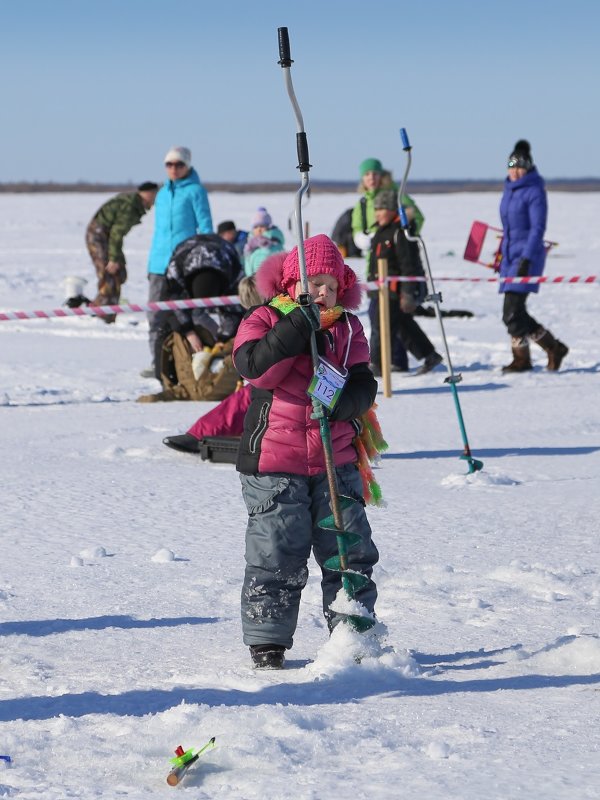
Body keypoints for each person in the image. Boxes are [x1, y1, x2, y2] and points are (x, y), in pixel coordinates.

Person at [232, 235, 381, 669]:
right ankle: (268, 641)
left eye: (330, 287)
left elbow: (362, 384)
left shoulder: (348, 327)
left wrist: (341, 402)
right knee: (277, 549)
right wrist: (297, 327)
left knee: (348, 549)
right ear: (292, 283)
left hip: (336, 460)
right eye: (312, 283)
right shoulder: (263, 317)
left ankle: (352, 633)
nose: (322, 294)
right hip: (274, 462)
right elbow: (256, 369)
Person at [499, 140, 568, 372]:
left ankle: (528, 357)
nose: (515, 171)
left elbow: (537, 229)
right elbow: (510, 229)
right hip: (510, 258)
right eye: (511, 166)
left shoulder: (535, 191)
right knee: (514, 313)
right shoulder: (509, 190)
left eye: (520, 167)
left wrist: (526, 259)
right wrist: (502, 255)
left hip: (526, 258)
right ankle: (550, 349)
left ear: (528, 167)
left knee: (511, 312)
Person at [144, 146, 213, 376]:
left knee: (193, 313)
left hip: (185, 265)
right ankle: (159, 365)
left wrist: (203, 260)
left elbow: (205, 227)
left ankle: (216, 354)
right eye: (169, 164)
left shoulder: (196, 191)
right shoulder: (162, 193)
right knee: (156, 317)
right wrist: (152, 263)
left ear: (188, 166)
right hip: (158, 265)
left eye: (179, 164)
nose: (173, 168)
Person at [368, 190, 443, 376]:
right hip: (381, 290)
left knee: (381, 327)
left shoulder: (401, 233)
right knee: (403, 326)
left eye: (383, 209)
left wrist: (408, 294)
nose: (378, 213)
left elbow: (409, 266)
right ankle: (429, 355)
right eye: (376, 209)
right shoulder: (380, 231)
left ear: (393, 210)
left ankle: (376, 365)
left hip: (395, 292)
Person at [86, 182, 158, 322]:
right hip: (99, 236)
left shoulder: (134, 203)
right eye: (155, 195)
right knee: (110, 274)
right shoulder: (131, 206)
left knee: (120, 273)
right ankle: (103, 315)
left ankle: (101, 308)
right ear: (148, 194)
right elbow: (116, 234)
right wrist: (113, 258)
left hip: (106, 237)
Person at [351, 157, 424, 256]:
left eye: (375, 174)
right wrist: (359, 238)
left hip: (399, 257)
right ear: (362, 179)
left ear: (381, 176)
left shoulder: (397, 196)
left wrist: (400, 238)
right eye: (367, 174)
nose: (371, 177)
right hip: (373, 259)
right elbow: (357, 227)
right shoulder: (362, 204)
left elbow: (417, 218)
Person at [242, 206, 285, 276]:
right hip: (252, 281)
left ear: (269, 227)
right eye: (255, 227)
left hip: (268, 280)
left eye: (262, 226)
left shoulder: (274, 243)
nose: (259, 229)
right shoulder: (250, 245)